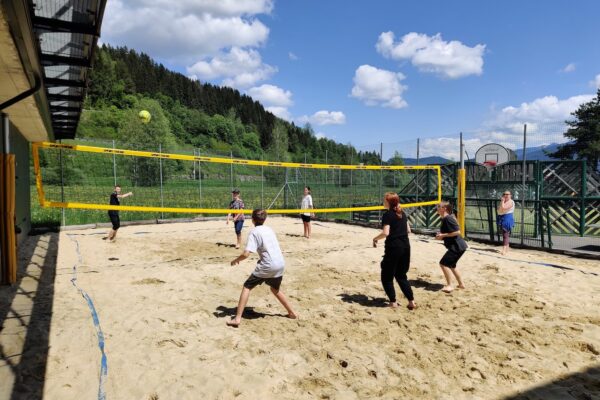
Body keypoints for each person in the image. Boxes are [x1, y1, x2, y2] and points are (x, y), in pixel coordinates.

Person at [227, 209, 297, 327]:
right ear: (264, 219)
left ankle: (237, 319)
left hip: (268, 265)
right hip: (280, 263)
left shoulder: (254, 232)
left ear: (252, 219)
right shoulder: (269, 229)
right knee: (275, 289)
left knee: (247, 287)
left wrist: (235, 260)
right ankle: (292, 312)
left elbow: (246, 254)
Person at [372, 192, 416, 310]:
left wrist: (375, 239)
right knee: (401, 276)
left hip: (394, 248)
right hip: (406, 247)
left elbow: (386, 233)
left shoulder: (388, 215)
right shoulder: (402, 213)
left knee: (386, 276)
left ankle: (393, 302)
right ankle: (411, 301)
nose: (383, 201)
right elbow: (409, 230)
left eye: (384, 200)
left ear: (388, 202)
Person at [434, 201, 468, 293]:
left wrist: (443, 235)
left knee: (443, 264)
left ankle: (450, 285)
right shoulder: (445, 219)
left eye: (439, 206)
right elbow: (449, 233)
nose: (437, 208)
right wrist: (441, 236)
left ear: (444, 208)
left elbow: (457, 232)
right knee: (452, 265)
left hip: (457, 246)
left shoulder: (448, 218)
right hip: (459, 246)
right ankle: (461, 284)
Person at [497, 190, 515, 255]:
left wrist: (502, 202)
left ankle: (504, 250)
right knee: (505, 234)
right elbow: (499, 210)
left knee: (505, 234)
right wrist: (502, 203)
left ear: (510, 195)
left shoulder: (511, 202)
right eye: (504, 194)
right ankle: (507, 249)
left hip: (507, 218)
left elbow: (504, 208)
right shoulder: (503, 201)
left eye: (507, 194)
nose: (506, 195)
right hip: (502, 217)